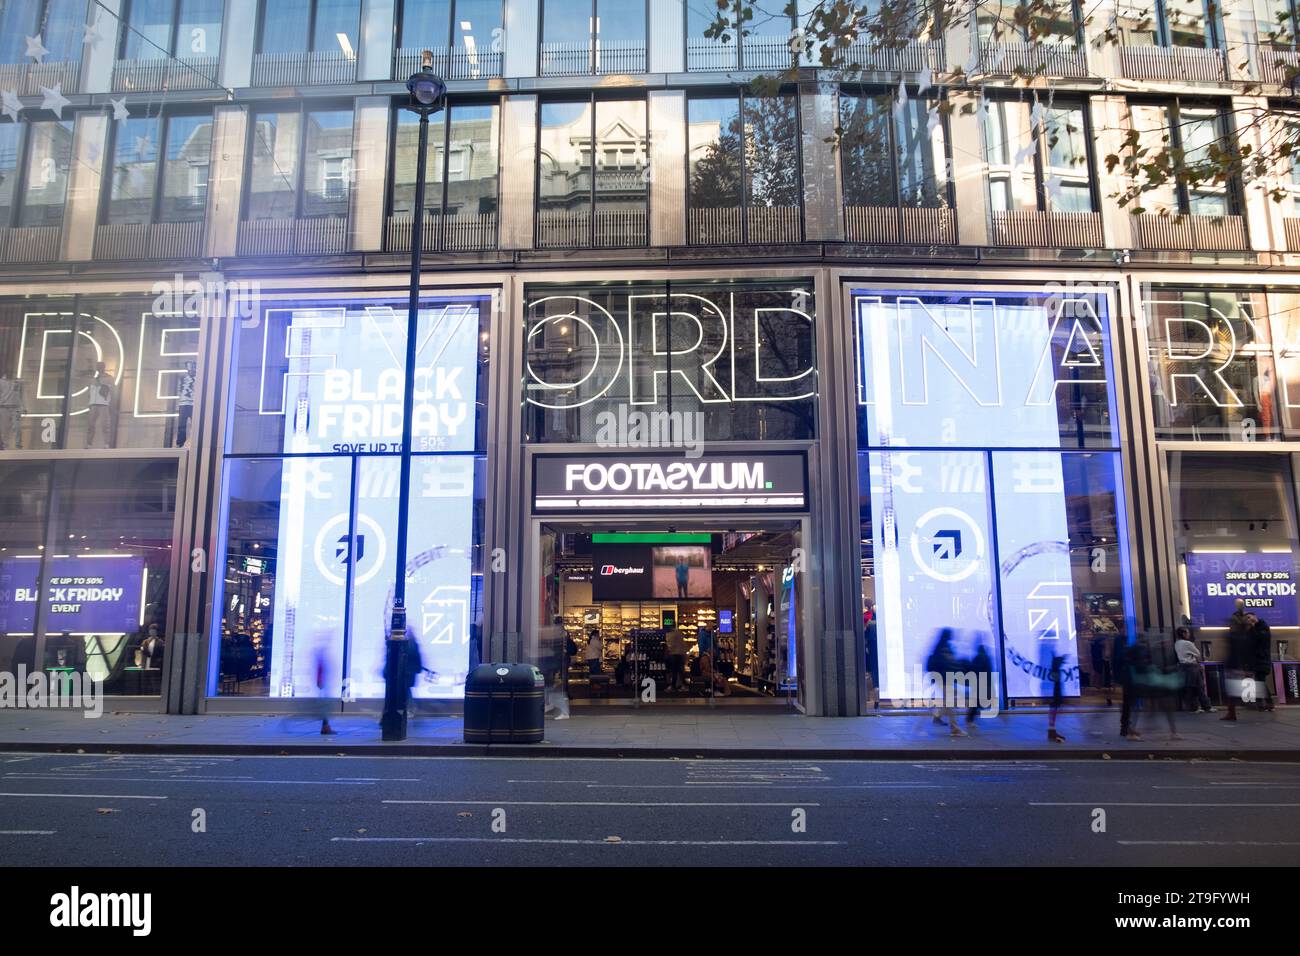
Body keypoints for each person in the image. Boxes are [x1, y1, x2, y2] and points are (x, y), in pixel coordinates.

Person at [926, 629, 966, 737]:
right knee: (951, 703)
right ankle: (954, 728)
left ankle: (937, 717)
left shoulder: (939, 646)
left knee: (949, 702)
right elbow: (950, 663)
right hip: (944, 679)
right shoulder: (944, 647)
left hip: (942, 679)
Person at [1223, 599, 1252, 721]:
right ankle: (1232, 711)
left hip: (1235, 664)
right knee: (1233, 687)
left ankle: (1232, 712)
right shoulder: (1243, 636)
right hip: (1237, 663)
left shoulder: (1235, 637)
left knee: (1232, 688)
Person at [1174, 626, 1214, 713]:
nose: (1189, 634)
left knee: (1191, 687)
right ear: (1183, 633)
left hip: (1183, 667)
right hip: (1191, 667)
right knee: (1198, 687)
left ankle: (1198, 707)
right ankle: (1202, 707)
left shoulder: (1177, 643)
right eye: (1187, 632)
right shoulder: (1188, 643)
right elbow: (1198, 653)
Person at [539, 614, 570, 719]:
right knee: (551, 687)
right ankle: (548, 705)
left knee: (553, 687)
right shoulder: (563, 632)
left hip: (553, 663)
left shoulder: (555, 632)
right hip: (556, 663)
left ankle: (558, 709)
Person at [1247, 612, 1276, 712]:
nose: (1249, 620)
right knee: (1258, 682)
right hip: (1256, 660)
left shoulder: (1263, 626)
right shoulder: (1252, 629)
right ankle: (1263, 704)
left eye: (1249, 617)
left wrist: (1253, 627)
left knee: (1260, 682)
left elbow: (1260, 638)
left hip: (1262, 660)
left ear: (1255, 616)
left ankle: (1266, 704)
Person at [84, 362, 115, 449]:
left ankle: (106, 443)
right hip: (93, 404)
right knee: (90, 425)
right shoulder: (93, 379)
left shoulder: (109, 378)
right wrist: (89, 404)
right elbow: (90, 392)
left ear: (103, 367)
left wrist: (111, 404)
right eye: (98, 366)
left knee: (105, 425)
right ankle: (89, 444)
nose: (99, 368)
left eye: (100, 366)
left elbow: (113, 392)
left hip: (103, 404)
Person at [965, 642, 993, 727]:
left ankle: (970, 718)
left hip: (976, 683)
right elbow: (988, 671)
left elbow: (972, 670)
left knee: (976, 701)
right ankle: (970, 719)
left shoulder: (976, 658)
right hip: (982, 683)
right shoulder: (985, 658)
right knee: (977, 702)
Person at [1046, 652, 1068, 743]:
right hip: (1055, 693)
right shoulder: (1055, 672)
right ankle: (1051, 731)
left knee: (1053, 710)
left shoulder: (1055, 672)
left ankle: (1052, 730)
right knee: (1053, 710)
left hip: (1054, 693)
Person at [175, 361, 196, 447]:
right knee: (181, 424)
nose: (190, 369)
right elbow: (180, 389)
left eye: (192, 367)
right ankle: (180, 443)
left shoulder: (198, 378)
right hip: (183, 403)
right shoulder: (183, 378)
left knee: (195, 424)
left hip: (193, 404)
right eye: (189, 367)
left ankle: (195, 441)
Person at [0, 372, 22, 450]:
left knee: (17, 427)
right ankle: (5, 447)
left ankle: (18, 446)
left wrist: (23, 407)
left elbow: (21, 394)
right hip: (3, 407)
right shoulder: (1, 382)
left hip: (15, 407)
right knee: (4, 428)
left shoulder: (17, 381)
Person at [665, 625, 688, 692]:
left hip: (674, 654)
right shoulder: (679, 633)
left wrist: (668, 651)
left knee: (674, 671)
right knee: (680, 671)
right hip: (681, 654)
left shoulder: (669, 634)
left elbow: (670, 646)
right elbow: (684, 643)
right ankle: (683, 685)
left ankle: (673, 686)